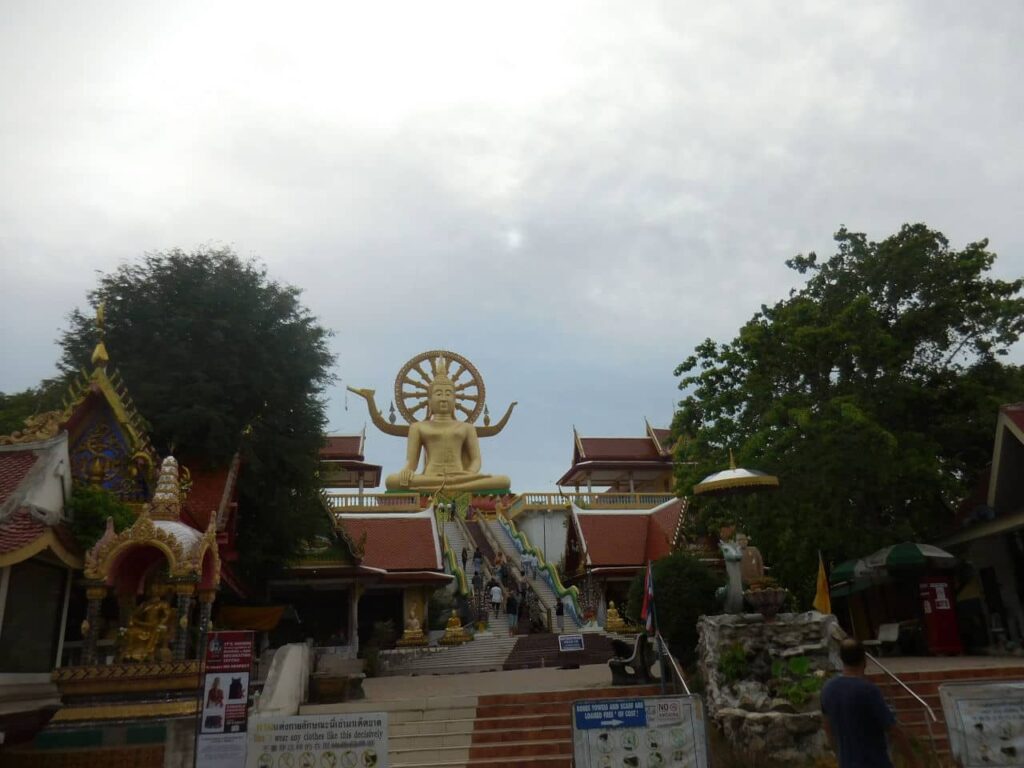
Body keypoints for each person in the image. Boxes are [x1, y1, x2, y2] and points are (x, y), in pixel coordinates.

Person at [821, 639, 918, 768]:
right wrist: (914, 762)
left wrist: (839, 755)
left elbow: (828, 728)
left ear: (841, 658)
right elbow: (894, 730)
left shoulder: (828, 688)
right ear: (864, 659)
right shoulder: (868, 691)